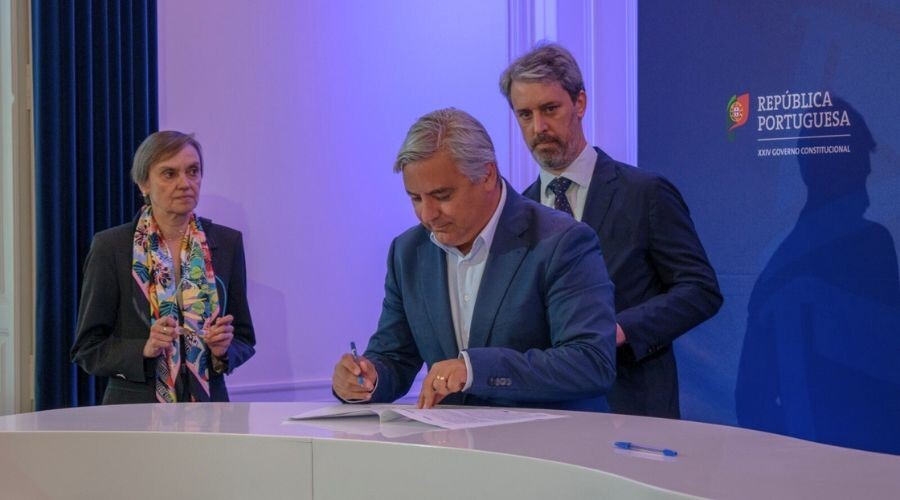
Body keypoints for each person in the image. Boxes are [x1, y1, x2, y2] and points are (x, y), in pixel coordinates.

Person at [331, 108, 617, 410]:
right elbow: (394, 356)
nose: (427, 215)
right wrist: (366, 378)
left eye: (442, 196)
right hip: (450, 439)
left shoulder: (562, 241)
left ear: (487, 175)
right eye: (415, 198)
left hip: (549, 439)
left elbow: (591, 362)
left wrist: (475, 370)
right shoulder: (407, 252)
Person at [500, 44, 722, 418]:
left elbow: (700, 290)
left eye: (550, 109)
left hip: (633, 406)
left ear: (580, 103)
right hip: (546, 414)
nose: (538, 128)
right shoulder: (516, 215)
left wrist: (619, 329)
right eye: (525, 114)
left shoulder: (645, 193)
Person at [71, 131, 256, 404]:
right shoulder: (111, 247)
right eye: (169, 174)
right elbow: (88, 348)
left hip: (210, 410)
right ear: (143, 184)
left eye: (193, 171)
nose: (185, 183)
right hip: (134, 412)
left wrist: (223, 350)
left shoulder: (227, 243)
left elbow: (244, 338)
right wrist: (144, 349)